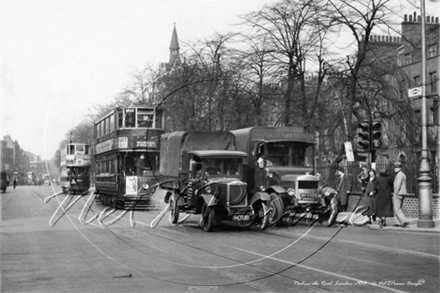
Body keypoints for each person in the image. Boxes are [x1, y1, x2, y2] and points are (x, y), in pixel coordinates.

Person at [392, 161, 409, 228]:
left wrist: (395, 192)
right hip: (403, 192)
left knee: (397, 208)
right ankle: (397, 222)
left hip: (398, 193)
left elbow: (398, 185)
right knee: (398, 207)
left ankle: (403, 221)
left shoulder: (399, 175)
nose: (394, 169)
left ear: (399, 168)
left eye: (396, 167)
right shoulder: (403, 174)